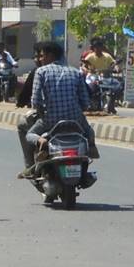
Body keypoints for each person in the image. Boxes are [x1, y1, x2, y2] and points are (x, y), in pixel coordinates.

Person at [20, 41, 99, 196]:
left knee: (28, 133)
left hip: (50, 120)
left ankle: (31, 166)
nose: (40, 59)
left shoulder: (41, 72)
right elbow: (85, 102)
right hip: (76, 120)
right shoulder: (76, 72)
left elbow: (36, 102)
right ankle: (90, 146)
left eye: (42, 56)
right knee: (89, 132)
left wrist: (42, 111)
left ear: (50, 55)